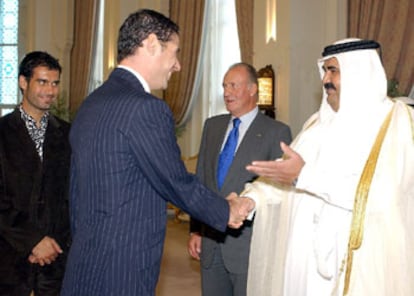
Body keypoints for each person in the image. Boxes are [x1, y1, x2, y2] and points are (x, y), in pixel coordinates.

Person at [61, 9, 254, 296]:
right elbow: (176, 182)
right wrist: (227, 210)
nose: (177, 65)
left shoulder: (91, 103)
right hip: (122, 270)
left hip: (85, 262)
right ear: (152, 44)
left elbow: (75, 193)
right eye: (174, 52)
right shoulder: (146, 108)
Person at [243, 38, 414, 295]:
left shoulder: (397, 122)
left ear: (359, 71)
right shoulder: (317, 123)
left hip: (358, 265)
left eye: (334, 70)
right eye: (325, 71)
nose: (325, 80)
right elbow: (285, 173)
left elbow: (382, 194)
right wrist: (250, 200)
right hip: (304, 265)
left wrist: (304, 176)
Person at [188, 62, 292, 296]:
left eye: (233, 85)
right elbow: (201, 181)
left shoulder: (277, 132)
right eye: (225, 86)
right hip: (211, 242)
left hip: (251, 248)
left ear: (253, 89)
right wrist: (196, 231)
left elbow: (280, 191)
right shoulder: (212, 126)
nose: (226, 92)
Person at [0, 51, 71, 295]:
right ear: (23, 82)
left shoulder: (67, 134)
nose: (50, 91)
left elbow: (70, 196)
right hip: (8, 255)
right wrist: (33, 241)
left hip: (55, 256)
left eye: (54, 83)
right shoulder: (2, 133)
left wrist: (51, 244)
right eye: (42, 82)